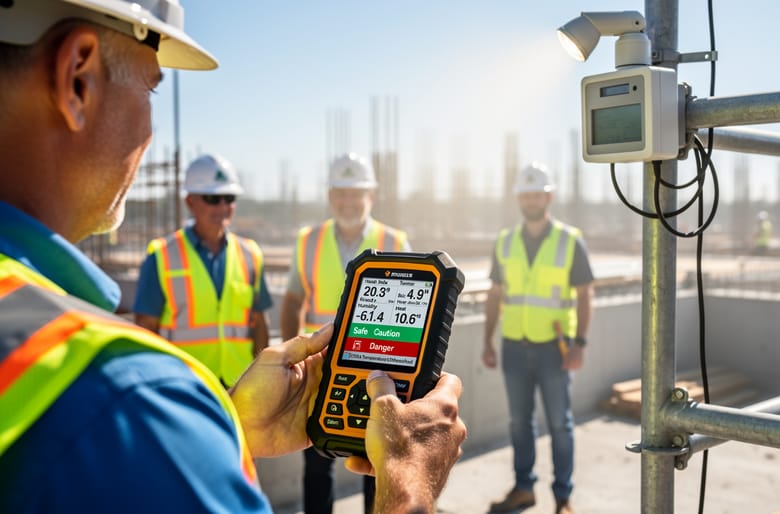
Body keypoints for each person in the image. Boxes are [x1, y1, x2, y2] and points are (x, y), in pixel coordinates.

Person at [0, 2, 466, 513]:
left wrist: (226, 424)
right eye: (152, 87)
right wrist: (410, 484)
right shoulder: (131, 400)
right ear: (77, 79)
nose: (150, 132)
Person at [281, 152, 410, 514]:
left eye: (356, 193)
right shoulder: (308, 241)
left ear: (371, 195)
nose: (348, 201)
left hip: (379, 374)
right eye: (341, 193)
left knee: (376, 466)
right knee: (318, 463)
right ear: (330, 196)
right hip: (323, 373)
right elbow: (292, 302)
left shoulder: (395, 241)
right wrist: (293, 361)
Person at [482, 162, 594, 514]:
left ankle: (563, 497)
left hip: (554, 349)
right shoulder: (504, 241)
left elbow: (584, 295)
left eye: (537, 193)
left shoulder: (570, 240)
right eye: (525, 194)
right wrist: (488, 340)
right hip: (514, 345)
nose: (531, 199)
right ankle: (523, 488)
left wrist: (580, 345)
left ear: (549, 196)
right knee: (519, 422)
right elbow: (496, 294)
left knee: (560, 424)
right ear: (519, 198)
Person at [133, 153, 272, 387]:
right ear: (190, 202)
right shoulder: (161, 256)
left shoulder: (250, 254)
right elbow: (146, 330)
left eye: (229, 198)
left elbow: (260, 325)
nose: (222, 207)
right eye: (212, 198)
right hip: (182, 387)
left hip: (240, 387)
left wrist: (264, 380)